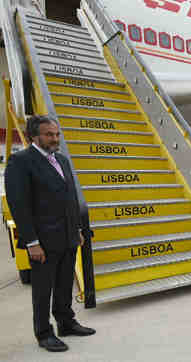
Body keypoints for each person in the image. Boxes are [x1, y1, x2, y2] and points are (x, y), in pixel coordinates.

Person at [4, 115, 96, 352]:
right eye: (49, 135)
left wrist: (77, 230)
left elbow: (70, 199)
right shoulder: (21, 161)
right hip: (42, 241)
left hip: (67, 236)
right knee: (43, 289)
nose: (55, 139)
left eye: (57, 134)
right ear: (34, 136)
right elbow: (19, 206)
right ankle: (44, 333)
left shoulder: (62, 160)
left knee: (65, 284)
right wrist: (32, 242)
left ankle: (66, 322)